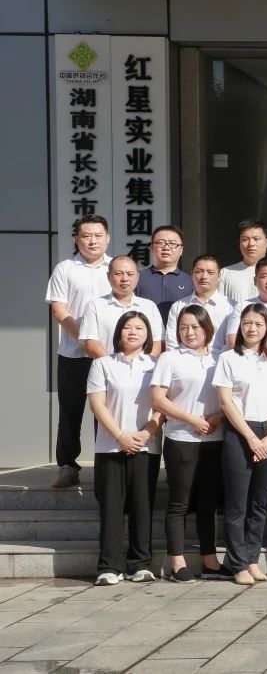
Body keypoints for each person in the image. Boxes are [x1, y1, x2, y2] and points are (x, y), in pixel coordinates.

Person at [150, 304, 224, 582]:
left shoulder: (220, 358)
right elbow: (158, 399)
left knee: (208, 502)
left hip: (214, 438)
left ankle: (210, 560)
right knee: (179, 502)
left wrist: (217, 419)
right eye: (183, 327)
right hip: (181, 438)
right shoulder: (169, 359)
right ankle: (177, 562)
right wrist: (191, 419)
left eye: (195, 327)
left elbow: (231, 397)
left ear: (207, 328)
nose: (189, 332)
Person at [87, 312, 162, 585]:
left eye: (139, 328)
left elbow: (162, 405)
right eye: (127, 327)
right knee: (111, 508)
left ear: (148, 334)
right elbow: (97, 404)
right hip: (110, 447)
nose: (133, 332)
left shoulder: (156, 365)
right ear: (119, 332)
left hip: (146, 447)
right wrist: (120, 436)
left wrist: (146, 433)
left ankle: (140, 564)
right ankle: (109, 566)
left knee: (142, 506)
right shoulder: (103, 364)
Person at [214, 303, 267, 586]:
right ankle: (238, 563)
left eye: (258, 324)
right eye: (247, 323)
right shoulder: (228, 358)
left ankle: (252, 558)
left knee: (259, 502)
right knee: (237, 503)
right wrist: (252, 438)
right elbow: (225, 401)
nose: (252, 329)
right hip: (240, 432)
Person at [47, 213, 112, 488]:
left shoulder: (117, 268)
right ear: (76, 239)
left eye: (98, 235)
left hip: (108, 356)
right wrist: (85, 341)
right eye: (86, 236)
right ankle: (67, 466)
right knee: (70, 411)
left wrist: (101, 349)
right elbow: (59, 311)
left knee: (106, 411)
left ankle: (107, 466)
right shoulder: (65, 269)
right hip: (73, 354)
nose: (92, 241)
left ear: (107, 238)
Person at [79, 256, 164, 358]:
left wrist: (143, 365)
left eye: (130, 274)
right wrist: (112, 365)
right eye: (119, 274)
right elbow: (90, 343)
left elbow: (157, 342)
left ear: (137, 277)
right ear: (108, 276)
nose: (125, 279)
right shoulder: (95, 305)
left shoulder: (149, 306)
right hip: (105, 366)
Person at [163, 254, 233, 354]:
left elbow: (233, 343)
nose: (204, 277)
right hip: (185, 361)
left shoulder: (231, 306)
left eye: (210, 272)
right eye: (199, 271)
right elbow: (172, 343)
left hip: (219, 361)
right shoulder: (179, 306)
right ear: (192, 274)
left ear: (219, 276)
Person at [136, 224, 192, 325]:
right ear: (151, 247)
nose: (166, 247)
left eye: (172, 243)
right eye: (160, 243)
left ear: (181, 250)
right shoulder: (137, 278)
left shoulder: (191, 281)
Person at [219, 219, 267, 305]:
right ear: (239, 244)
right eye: (245, 239)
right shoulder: (225, 273)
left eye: (256, 239)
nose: (251, 244)